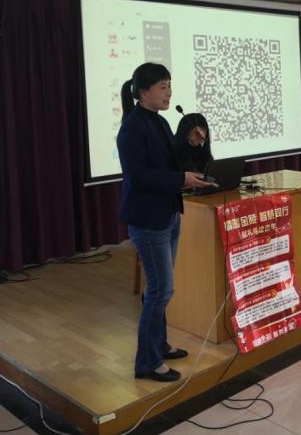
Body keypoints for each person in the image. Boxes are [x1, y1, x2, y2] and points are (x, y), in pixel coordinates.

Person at [117, 62, 210, 382]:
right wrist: (181, 179)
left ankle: (160, 345)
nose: (168, 93)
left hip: (168, 213)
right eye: (162, 87)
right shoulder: (132, 127)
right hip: (148, 219)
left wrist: (192, 143)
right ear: (144, 93)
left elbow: (170, 160)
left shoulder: (158, 121)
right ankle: (147, 362)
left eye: (170, 86)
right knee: (160, 290)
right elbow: (140, 175)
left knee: (157, 289)